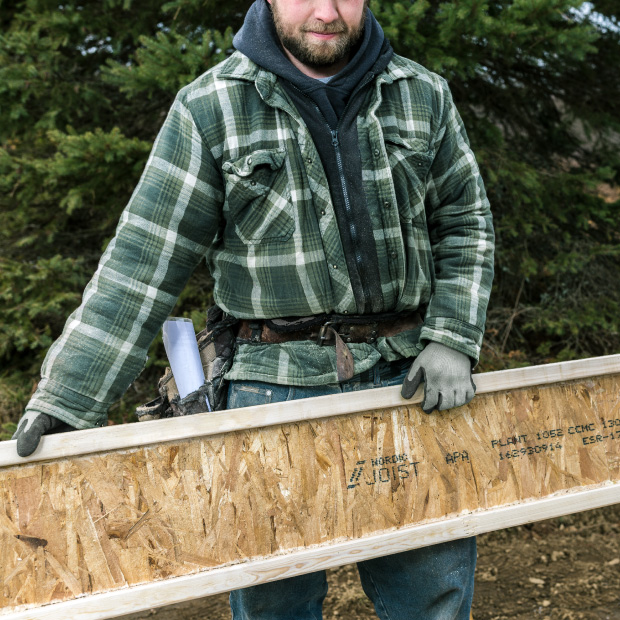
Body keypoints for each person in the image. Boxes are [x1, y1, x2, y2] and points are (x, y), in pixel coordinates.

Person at [13, 0, 494, 617]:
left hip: (409, 380)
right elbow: (142, 263)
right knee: (275, 606)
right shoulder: (211, 107)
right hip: (271, 393)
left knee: (433, 595)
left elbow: (465, 223)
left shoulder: (422, 96)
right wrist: (65, 401)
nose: (326, 12)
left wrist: (454, 335)